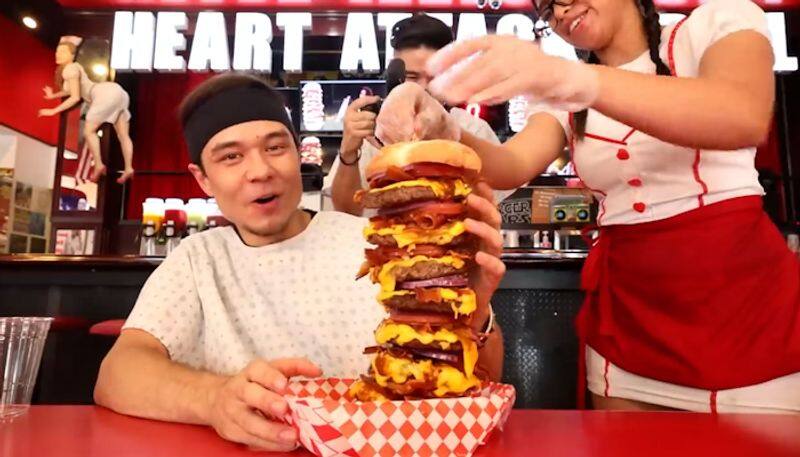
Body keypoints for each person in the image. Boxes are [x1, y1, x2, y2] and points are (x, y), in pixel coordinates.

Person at [375, 0, 800, 414]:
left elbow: (742, 113)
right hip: (628, 315)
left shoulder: (716, 22)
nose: (560, 11)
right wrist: (441, 124)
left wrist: (574, 79)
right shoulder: (563, 93)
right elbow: (511, 164)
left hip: (746, 307)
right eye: (547, 7)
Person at [93, 74, 506, 451]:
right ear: (202, 178)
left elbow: (478, 384)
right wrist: (214, 399)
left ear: (297, 154)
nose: (261, 171)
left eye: (275, 148)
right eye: (231, 157)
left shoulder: (378, 243)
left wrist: (473, 310)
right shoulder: (198, 261)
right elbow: (118, 374)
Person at [327, 13, 512, 215]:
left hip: (452, 239)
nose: (423, 88)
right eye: (412, 77)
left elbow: (492, 206)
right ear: (394, 76)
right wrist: (348, 151)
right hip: (384, 240)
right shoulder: (375, 130)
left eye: (435, 77)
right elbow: (346, 212)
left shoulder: (473, 129)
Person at [39, 39, 134, 184]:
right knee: (123, 135)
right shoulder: (74, 68)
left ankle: (99, 164)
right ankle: (128, 167)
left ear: (72, 55)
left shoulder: (70, 70)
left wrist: (54, 110)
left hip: (102, 94)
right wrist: (53, 96)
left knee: (88, 131)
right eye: (57, 51)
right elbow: (69, 90)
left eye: (62, 52)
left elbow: (75, 97)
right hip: (118, 92)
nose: (58, 54)